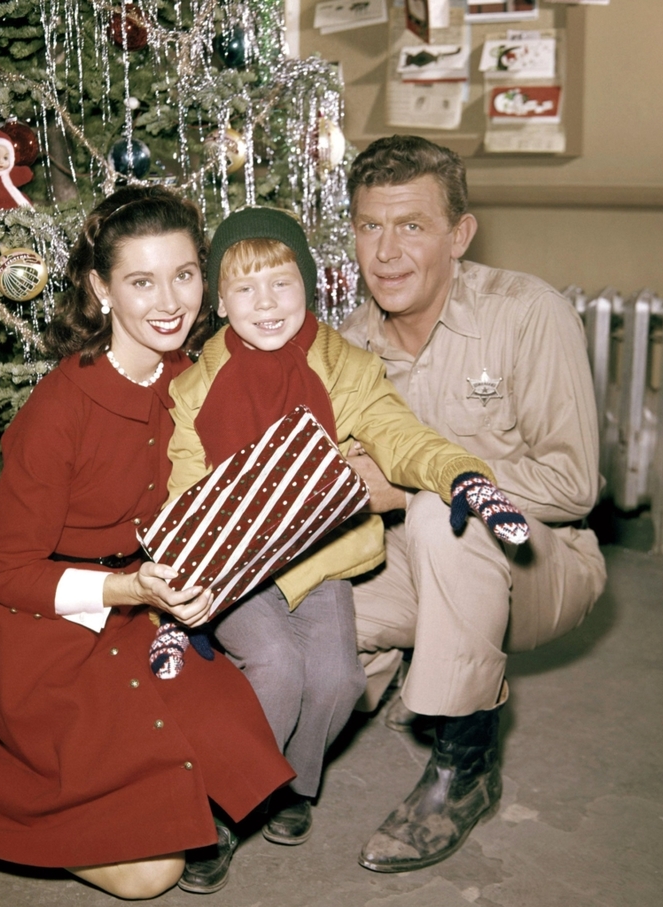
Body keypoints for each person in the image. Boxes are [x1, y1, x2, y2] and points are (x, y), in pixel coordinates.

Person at [0, 186, 294, 899]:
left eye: (183, 274)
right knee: (149, 875)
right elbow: (10, 575)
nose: (168, 301)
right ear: (100, 288)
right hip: (40, 629)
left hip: (143, 617)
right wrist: (128, 588)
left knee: (218, 744)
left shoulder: (195, 378)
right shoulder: (59, 411)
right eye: (140, 281)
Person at [164, 205, 530, 892]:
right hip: (236, 570)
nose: (265, 304)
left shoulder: (347, 366)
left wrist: (461, 473)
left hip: (320, 559)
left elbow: (399, 435)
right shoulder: (195, 385)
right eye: (245, 289)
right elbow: (184, 490)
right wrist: (182, 574)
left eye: (282, 284)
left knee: (336, 678)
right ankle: (217, 808)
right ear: (220, 299)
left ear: (309, 284)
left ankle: (296, 785)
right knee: (275, 666)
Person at [339, 135, 608, 873]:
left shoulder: (528, 312)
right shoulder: (348, 344)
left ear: (460, 234)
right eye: (370, 226)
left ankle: (465, 769)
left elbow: (574, 480)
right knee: (312, 607)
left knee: (444, 514)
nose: (387, 252)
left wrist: (424, 480)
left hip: (545, 562)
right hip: (414, 562)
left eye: (412, 226)